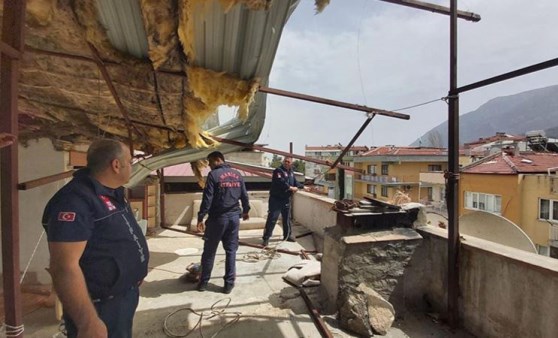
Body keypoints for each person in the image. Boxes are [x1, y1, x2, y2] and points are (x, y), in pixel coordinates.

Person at [42, 139, 149, 338]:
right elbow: (64, 267)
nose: (132, 166)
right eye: (129, 161)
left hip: (122, 296)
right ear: (116, 165)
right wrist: (88, 322)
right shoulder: (75, 202)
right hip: (99, 306)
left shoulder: (113, 192)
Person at [196, 151, 250, 294]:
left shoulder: (213, 175)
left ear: (218, 159)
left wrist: (201, 217)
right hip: (233, 219)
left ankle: (203, 282)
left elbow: (207, 199)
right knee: (231, 251)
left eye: (210, 163)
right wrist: (246, 211)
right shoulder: (237, 174)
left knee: (209, 251)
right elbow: (244, 195)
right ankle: (228, 285)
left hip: (217, 219)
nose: (210, 167)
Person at [262, 157, 308, 247]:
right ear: (283, 162)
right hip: (276, 200)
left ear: (291, 164)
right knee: (272, 219)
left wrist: (304, 187)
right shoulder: (278, 171)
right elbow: (281, 182)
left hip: (286, 199)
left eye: (289, 162)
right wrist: (291, 188)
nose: (287, 163)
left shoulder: (291, 172)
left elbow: (295, 183)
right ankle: (266, 238)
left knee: (287, 218)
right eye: (285, 161)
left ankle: (287, 236)